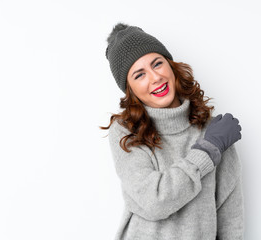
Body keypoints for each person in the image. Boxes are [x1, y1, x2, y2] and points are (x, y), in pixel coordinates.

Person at [100, 22, 244, 240]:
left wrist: (214, 143)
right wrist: (208, 150)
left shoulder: (215, 132)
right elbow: (154, 201)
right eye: (139, 75)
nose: (155, 77)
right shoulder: (125, 132)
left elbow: (230, 220)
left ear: (171, 66)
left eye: (157, 63)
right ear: (131, 90)